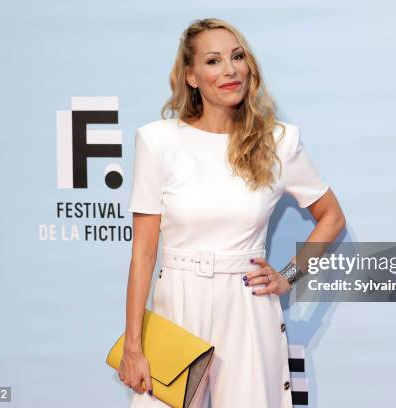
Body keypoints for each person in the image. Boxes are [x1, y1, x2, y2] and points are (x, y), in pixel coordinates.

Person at [117, 17, 346, 408]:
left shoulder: (277, 141)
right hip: (178, 301)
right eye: (213, 61)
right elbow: (143, 252)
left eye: (237, 57)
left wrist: (288, 275)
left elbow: (332, 217)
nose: (229, 70)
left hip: (246, 305)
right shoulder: (158, 141)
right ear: (191, 76)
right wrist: (133, 346)